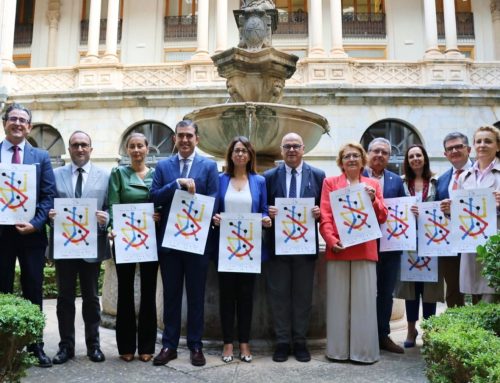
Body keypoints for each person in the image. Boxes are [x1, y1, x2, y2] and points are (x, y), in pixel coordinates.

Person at [151, 120, 219, 367]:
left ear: (197, 139)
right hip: (170, 244)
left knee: (196, 296)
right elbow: (154, 195)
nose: (185, 140)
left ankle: (195, 345)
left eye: (189, 136)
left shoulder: (209, 167)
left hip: (198, 243)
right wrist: (176, 184)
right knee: (171, 296)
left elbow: (215, 198)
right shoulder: (163, 166)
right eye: (180, 136)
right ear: (174, 139)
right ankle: (169, 345)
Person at [319, 142, 387, 364]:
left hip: (365, 249)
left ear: (362, 159)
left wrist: (374, 200)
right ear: (341, 161)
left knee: (365, 303)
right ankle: (337, 351)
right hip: (339, 248)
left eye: (356, 155)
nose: (351, 159)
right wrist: (330, 240)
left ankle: (364, 352)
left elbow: (383, 216)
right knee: (337, 302)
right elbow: (326, 215)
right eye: (347, 156)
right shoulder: (330, 183)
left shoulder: (373, 184)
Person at [0, 103, 57, 367]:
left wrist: (35, 223)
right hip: (1, 234)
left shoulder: (41, 157)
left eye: (23, 120)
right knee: (1, 288)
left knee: (33, 288)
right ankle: (3, 345)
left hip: (32, 235)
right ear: (4, 123)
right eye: (13, 119)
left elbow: (48, 196)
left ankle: (35, 346)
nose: (18, 124)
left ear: (29, 127)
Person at [263, 132, 325, 363]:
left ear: (303, 149)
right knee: (278, 296)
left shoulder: (318, 175)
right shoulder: (269, 176)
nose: (291, 150)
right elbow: (261, 206)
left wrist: (319, 213)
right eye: (287, 146)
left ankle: (299, 341)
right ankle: (281, 342)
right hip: (278, 248)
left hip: (305, 248)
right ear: (281, 150)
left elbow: (325, 208)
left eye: (296, 146)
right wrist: (267, 211)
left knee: (302, 297)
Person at [48, 131, 109, 364]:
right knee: (64, 299)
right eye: (75, 145)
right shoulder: (55, 175)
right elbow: (46, 204)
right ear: (69, 149)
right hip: (64, 248)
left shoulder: (105, 176)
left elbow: (111, 206)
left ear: (91, 149)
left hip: (91, 248)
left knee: (92, 299)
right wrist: (49, 215)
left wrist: (108, 218)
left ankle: (94, 346)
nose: (80, 149)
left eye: (84, 145)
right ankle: (66, 347)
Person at [212, 136, 271, 363]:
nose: (240, 154)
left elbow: (264, 209)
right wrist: (214, 218)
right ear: (231, 154)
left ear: (250, 155)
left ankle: (244, 343)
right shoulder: (220, 180)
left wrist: (266, 219)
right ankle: (228, 344)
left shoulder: (259, 181)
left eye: (244, 151)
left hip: (250, 249)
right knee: (227, 297)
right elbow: (213, 210)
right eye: (236, 150)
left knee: (247, 298)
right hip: (225, 249)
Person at [107, 132, 159, 362]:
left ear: (148, 149)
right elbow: (113, 203)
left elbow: (161, 201)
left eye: (140, 146)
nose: (136, 150)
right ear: (127, 150)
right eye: (132, 146)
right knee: (125, 292)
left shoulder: (156, 176)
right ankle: (125, 346)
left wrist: (159, 214)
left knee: (149, 292)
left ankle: (147, 346)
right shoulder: (118, 174)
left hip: (149, 240)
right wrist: (111, 226)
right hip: (125, 239)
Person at [441, 125, 500, 304]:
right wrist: (450, 211)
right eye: (478, 141)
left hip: (495, 245)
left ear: (498, 146)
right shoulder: (464, 177)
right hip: (471, 244)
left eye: (488, 141)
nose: (482, 145)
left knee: (493, 295)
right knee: (473, 294)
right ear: (473, 146)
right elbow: (461, 214)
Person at [396, 144, 444, 348]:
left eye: (419, 155)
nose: (415, 159)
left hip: (431, 241)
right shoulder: (400, 183)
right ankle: (410, 330)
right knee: (411, 288)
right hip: (407, 242)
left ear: (424, 158)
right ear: (407, 160)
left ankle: (430, 330)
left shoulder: (436, 182)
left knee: (430, 288)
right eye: (411, 156)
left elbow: (443, 208)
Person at [364, 137, 405, 354]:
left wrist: (412, 212)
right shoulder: (356, 176)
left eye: (384, 153)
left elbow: (402, 210)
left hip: (389, 245)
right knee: (363, 291)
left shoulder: (396, 180)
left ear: (389, 157)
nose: (379, 155)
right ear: (368, 153)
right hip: (362, 244)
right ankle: (363, 334)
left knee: (386, 292)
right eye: (376, 151)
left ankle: (382, 335)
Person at [436, 132, 472, 308]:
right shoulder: (442, 180)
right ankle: (455, 331)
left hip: (475, 241)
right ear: (445, 154)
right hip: (449, 243)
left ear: (469, 149)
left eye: (459, 146)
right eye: (450, 148)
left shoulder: (480, 174)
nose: (455, 150)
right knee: (452, 289)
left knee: (478, 289)